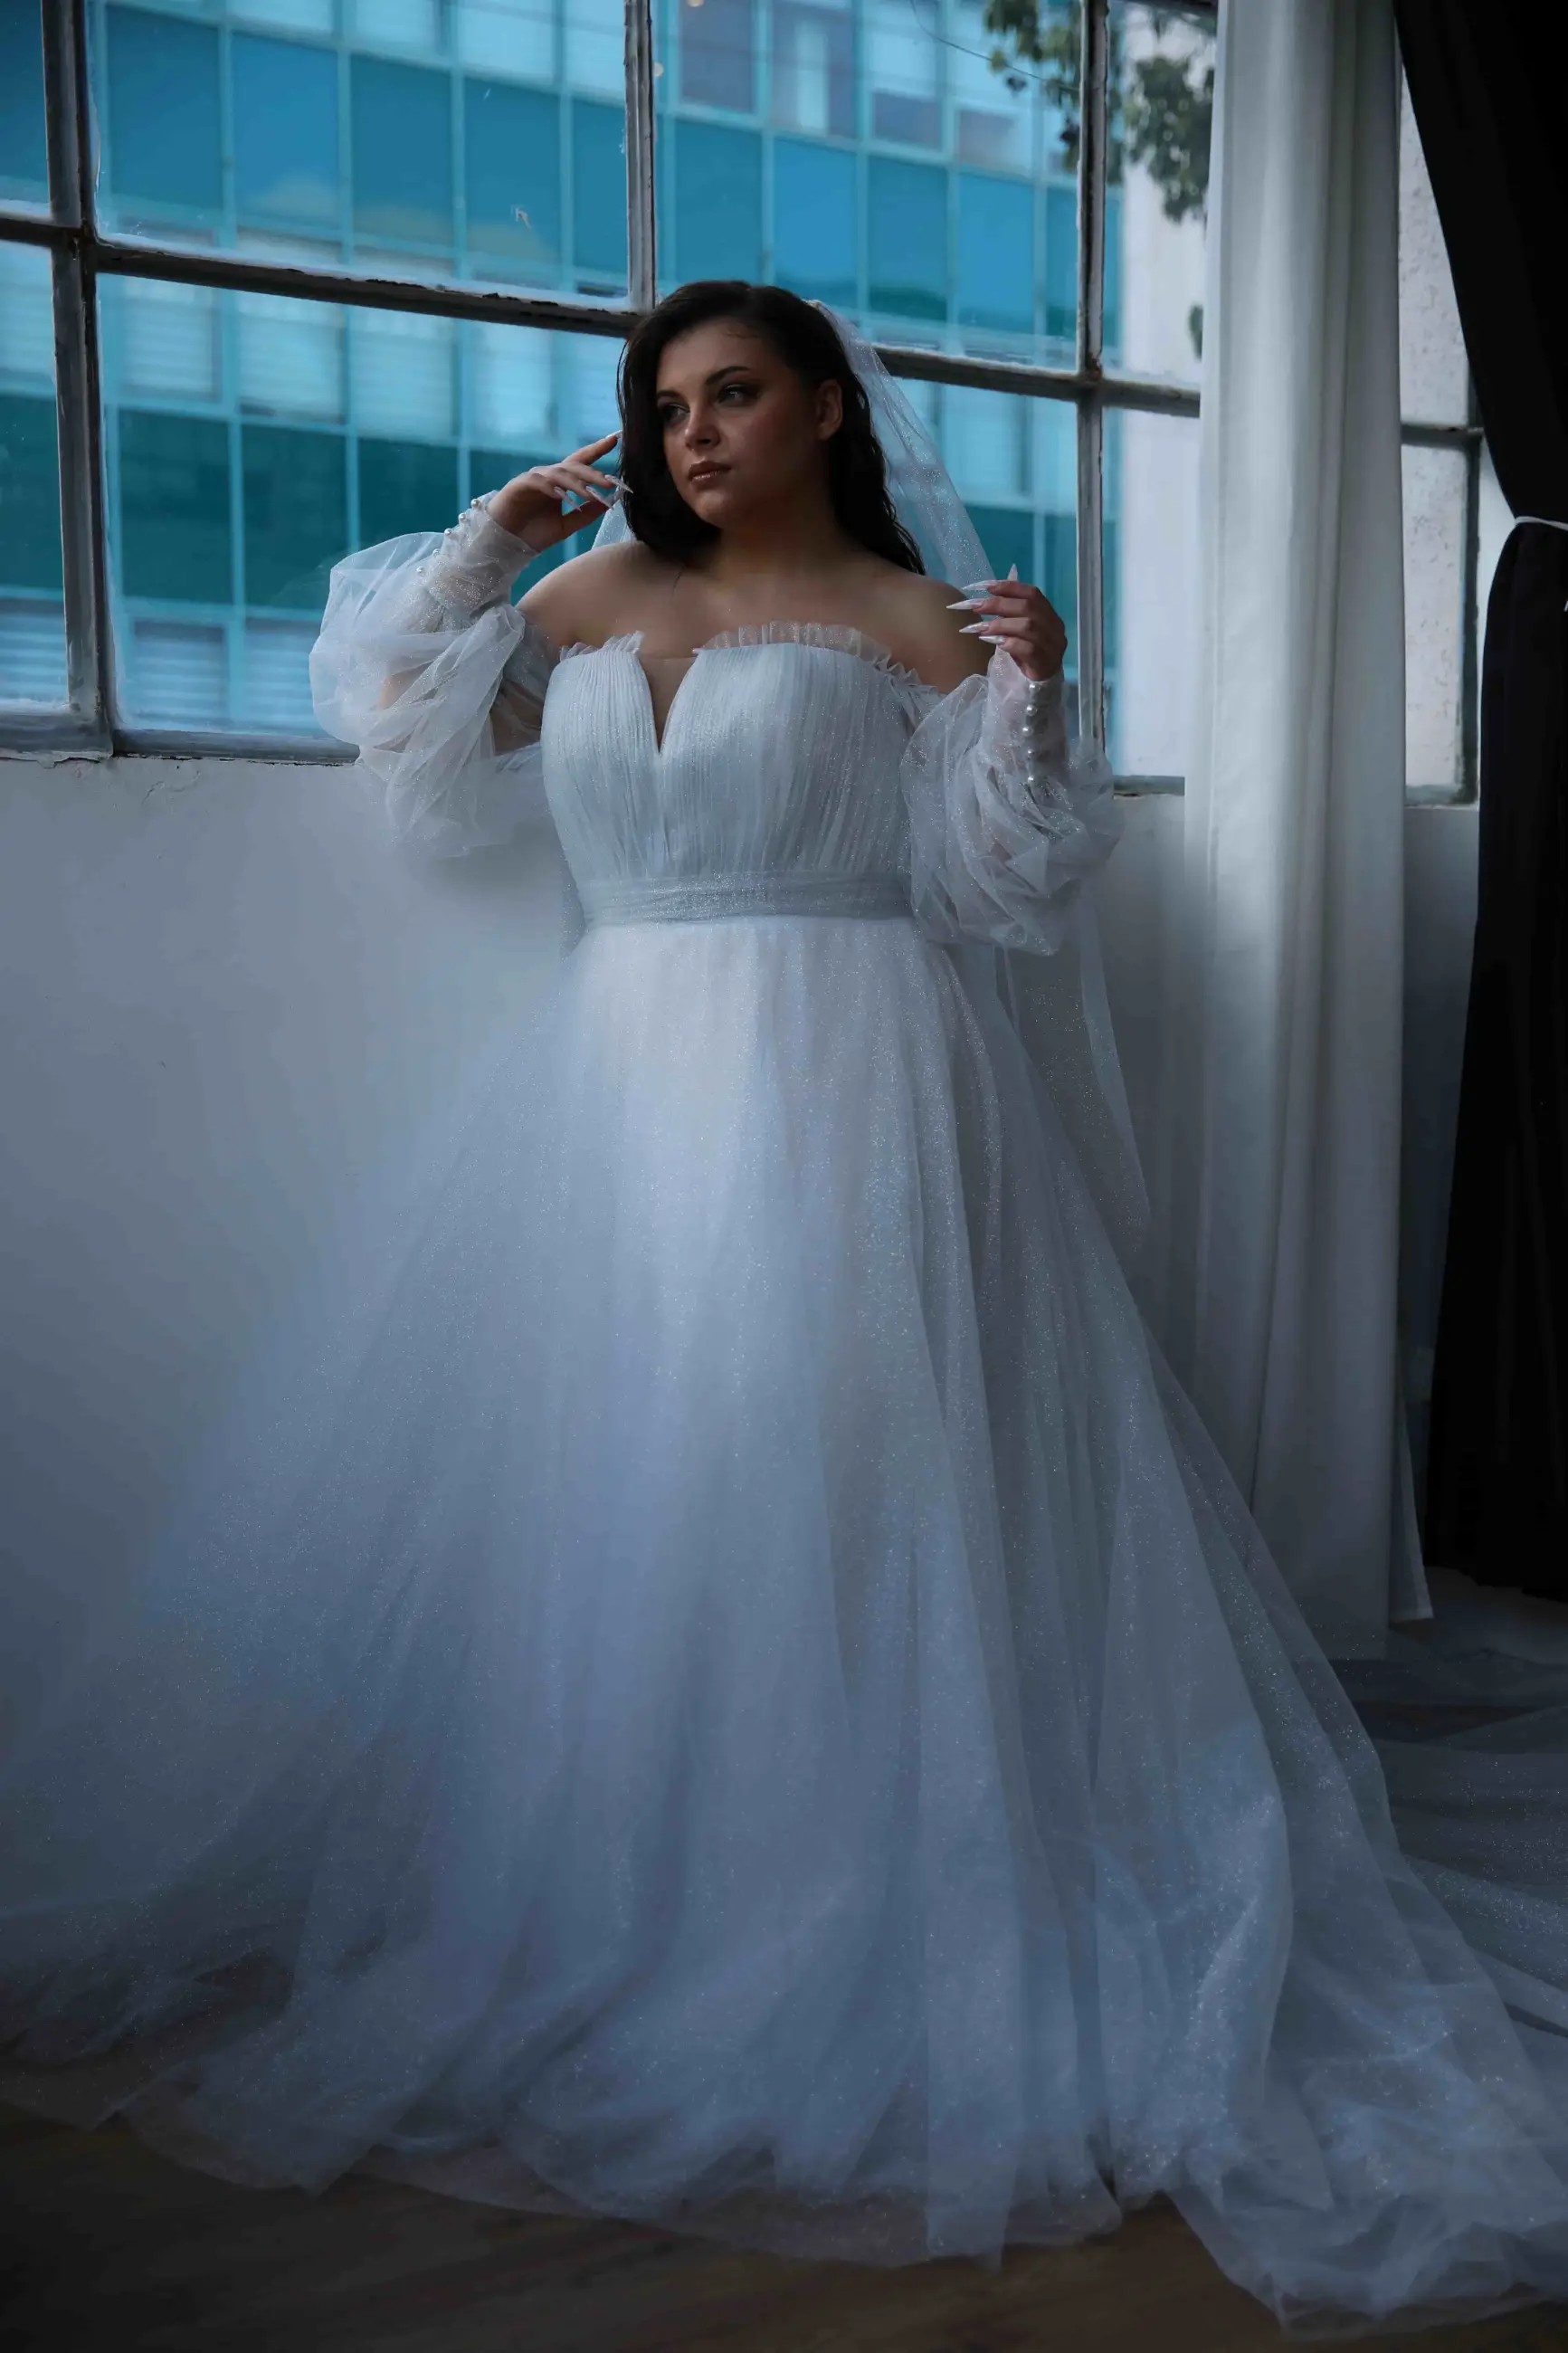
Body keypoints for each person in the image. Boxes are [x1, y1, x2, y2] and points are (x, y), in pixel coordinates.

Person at [5, 281, 1568, 2340]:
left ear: (830, 405)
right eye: (670, 403)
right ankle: (625, 1899)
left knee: (842, 1485)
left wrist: (1036, 697)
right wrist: (495, 537)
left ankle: (869, 1899)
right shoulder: (584, 602)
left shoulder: (930, 628)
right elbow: (399, 723)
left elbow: (1007, 885)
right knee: (633, 1489)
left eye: (737, 393)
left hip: (861, 1080)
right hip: (615, 1091)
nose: (700, 430)